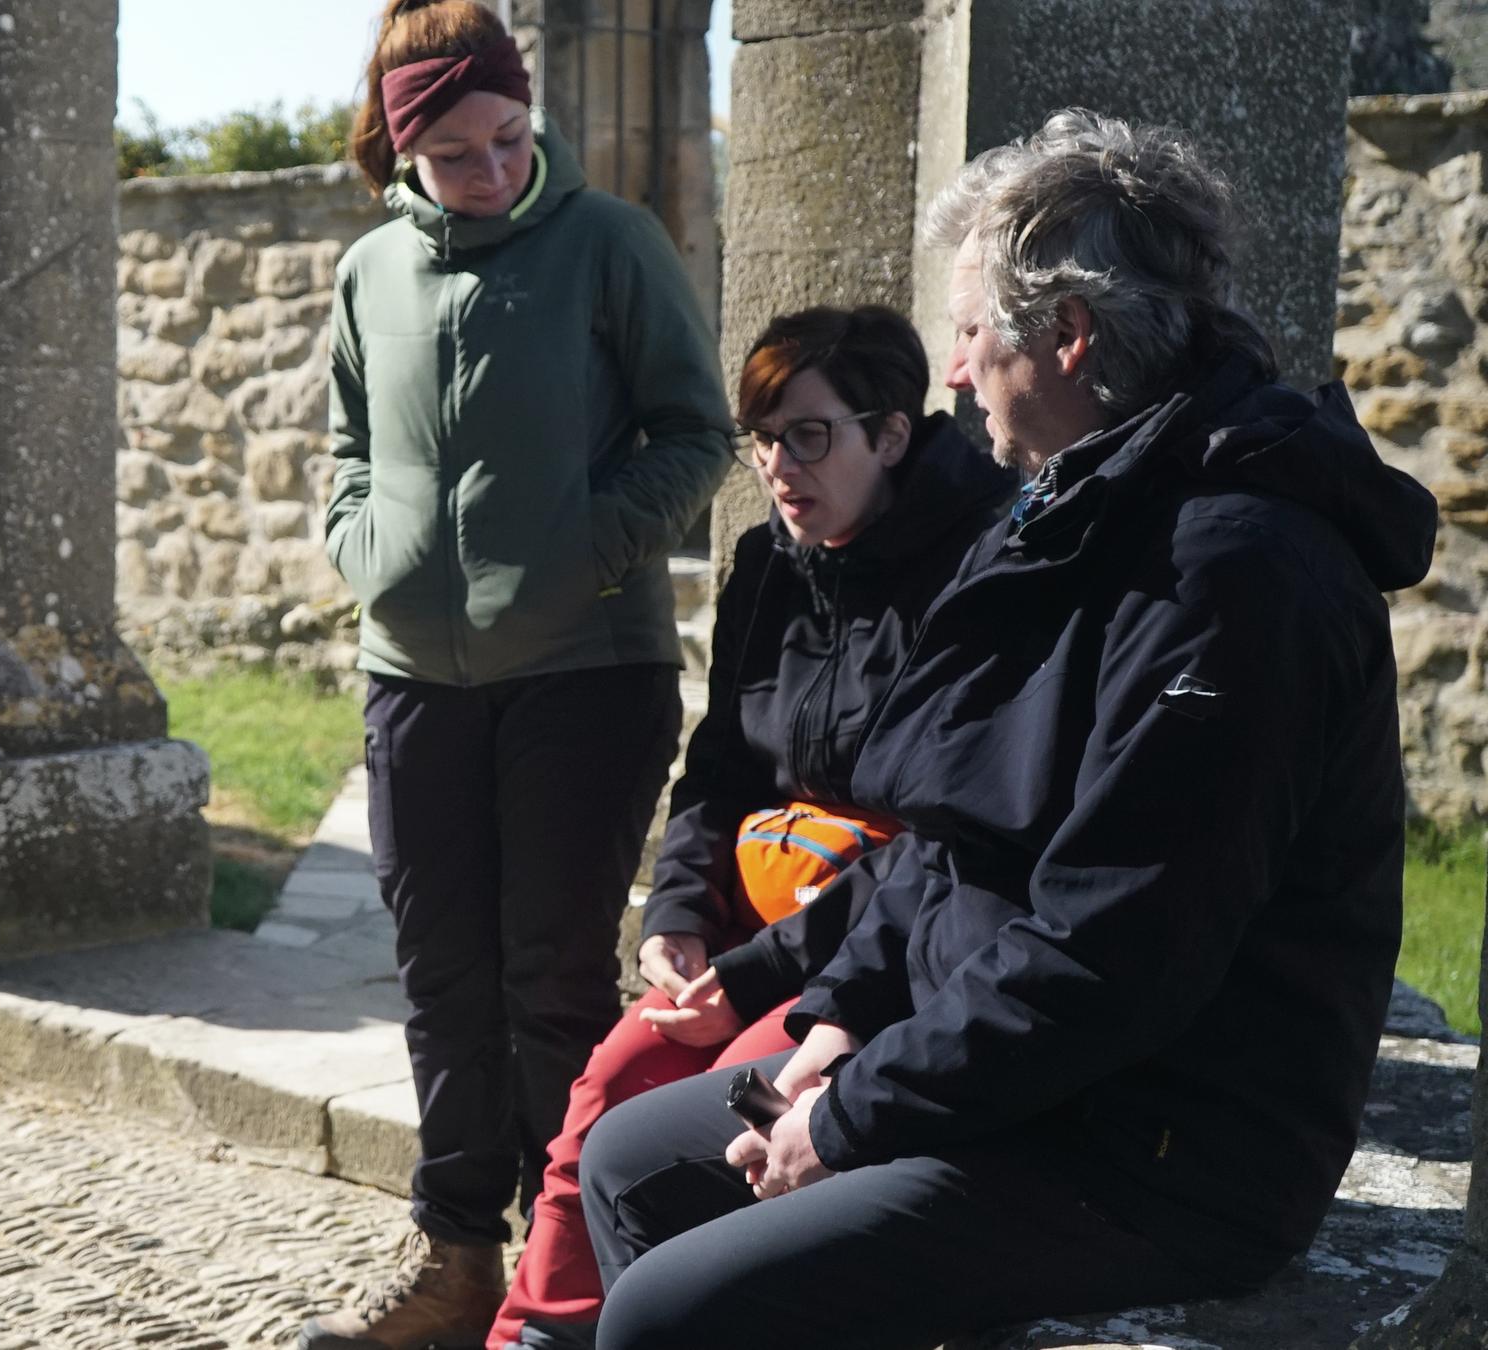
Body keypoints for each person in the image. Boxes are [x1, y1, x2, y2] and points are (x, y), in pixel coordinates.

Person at [577, 109, 1440, 1350]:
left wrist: (853, 1111)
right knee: (630, 1158)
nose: (956, 373)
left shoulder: (1233, 572)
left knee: (668, 1312)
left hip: (1158, 1146)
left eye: (974, 331)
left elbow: (1116, 949)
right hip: (1025, 1078)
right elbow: (953, 839)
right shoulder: (1083, 512)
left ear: (1070, 336)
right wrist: (844, 1016)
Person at [301, 3, 733, 1346]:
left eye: (509, 138)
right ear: (402, 149)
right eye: (456, 155)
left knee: (551, 976)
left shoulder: (610, 244)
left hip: (585, 670)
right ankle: (455, 1261)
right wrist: (366, 542)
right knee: (441, 979)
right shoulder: (370, 270)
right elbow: (346, 450)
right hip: (414, 679)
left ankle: (578, 1276)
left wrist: (588, 545)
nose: (491, 173)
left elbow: (695, 430)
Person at [487, 306, 1010, 1350]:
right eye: (763, 436)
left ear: (893, 434)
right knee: (610, 1081)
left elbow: (939, 842)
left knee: (734, 1117)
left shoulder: (981, 572)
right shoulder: (770, 563)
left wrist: (764, 971)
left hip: (877, 952)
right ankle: (535, 1338)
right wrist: (677, 917)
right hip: (750, 925)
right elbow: (718, 768)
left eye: (808, 435)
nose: (778, 464)